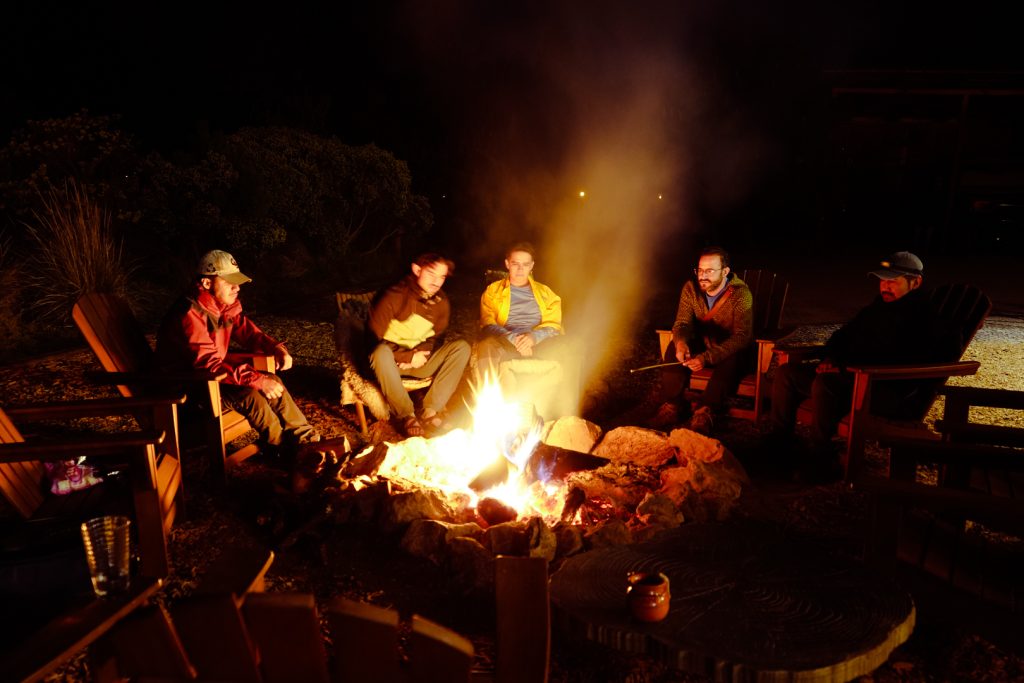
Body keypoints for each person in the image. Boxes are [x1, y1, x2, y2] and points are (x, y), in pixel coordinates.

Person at [766, 251, 961, 479]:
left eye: (892, 281)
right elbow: (843, 336)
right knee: (787, 373)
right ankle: (780, 444)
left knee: (825, 383)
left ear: (915, 282)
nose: (885, 287)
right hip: (851, 378)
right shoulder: (877, 309)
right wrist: (829, 358)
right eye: (882, 281)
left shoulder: (925, 319)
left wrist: (842, 367)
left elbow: (902, 358)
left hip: (889, 391)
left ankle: (819, 457)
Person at [155, 250, 320, 460]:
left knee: (272, 380)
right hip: (184, 394)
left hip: (209, 383)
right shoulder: (190, 313)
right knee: (249, 394)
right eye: (229, 282)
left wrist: (276, 348)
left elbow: (248, 333)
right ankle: (284, 452)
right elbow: (209, 365)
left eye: (238, 281)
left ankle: (308, 442)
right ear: (207, 283)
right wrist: (257, 380)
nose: (237, 287)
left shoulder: (220, 306)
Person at [647, 246, 754, 435]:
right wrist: (681, 342)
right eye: (700, 270)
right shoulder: (691, 289)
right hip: (703, 341)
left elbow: (742, 336)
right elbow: (682, 323)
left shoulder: (740, 295)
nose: (703, 276)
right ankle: (673, 405)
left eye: (710, 271)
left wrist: (707, 357)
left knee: (733, 356)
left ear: (725, 272)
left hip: (729, 349)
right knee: (674, 347)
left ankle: (706, 410)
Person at [368, 253, 471, 437]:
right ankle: (406, 415)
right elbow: (372, 338)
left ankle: (430, 411)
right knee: (380, 352)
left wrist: (422, 353)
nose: (437, 281)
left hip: (419, 363)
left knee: (461, 347)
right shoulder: (394, 296)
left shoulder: (441, 302)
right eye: (432, 274)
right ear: (417, 270)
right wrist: (406, 357)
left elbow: (437, 337)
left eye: (442, 276)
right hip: (388, 364)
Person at [477, 241, 581, 419]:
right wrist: (513, 338)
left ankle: (568, 415)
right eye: (516, 264)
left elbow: (554, 324)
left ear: (532, 266)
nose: (520, 269)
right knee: (486, 346)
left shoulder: (546, 293)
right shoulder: (493, 292)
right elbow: (488, 324)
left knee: (574, 345)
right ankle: (488, 411)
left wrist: (534, 337)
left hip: (538, 343)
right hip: (506, 341)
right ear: (507, 264)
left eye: (525, 264)